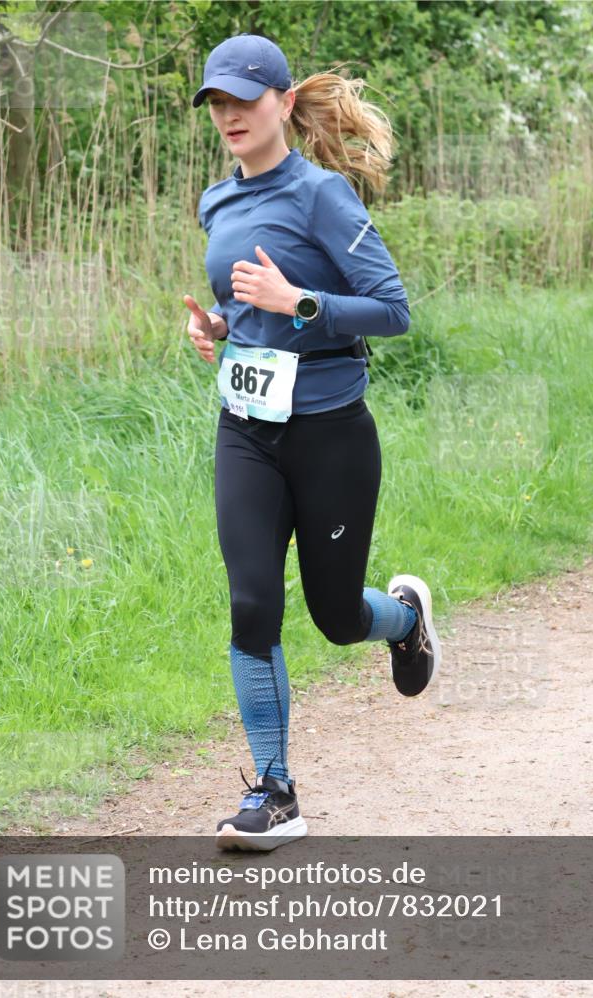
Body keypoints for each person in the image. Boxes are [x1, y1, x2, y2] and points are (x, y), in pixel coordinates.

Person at [184, 33, 441, 853]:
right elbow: (245, 304)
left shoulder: (324, 195)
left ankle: (401, 621)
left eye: (242, 101)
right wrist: (221, 327)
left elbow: (393, 311)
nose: (228, 116)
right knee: (252, 601)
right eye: (215, 104)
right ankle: (274, 791)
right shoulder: (214, 202)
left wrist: (299, 304)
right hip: (246, 433)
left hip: (330, 435)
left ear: (284, 104)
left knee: (334, 616)